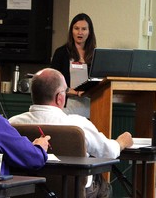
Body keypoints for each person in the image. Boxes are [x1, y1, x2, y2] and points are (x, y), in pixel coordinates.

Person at [9, 68, 134, 197]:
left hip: (27, 192)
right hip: (73, 192)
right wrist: (121, 142)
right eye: (66, 91)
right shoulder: (77, 124)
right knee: (103, 185)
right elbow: (108, 152)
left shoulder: (12, 124)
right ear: (60, 97)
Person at [51, 13, 96, 118]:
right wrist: (75, 92)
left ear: (89, 32)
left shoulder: (95, 55)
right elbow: (53, 83)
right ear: (71, 31)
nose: (80, 32)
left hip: (91, 107)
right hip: (66, 108)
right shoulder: (61, 53)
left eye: (84, 29)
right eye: (76, 28)